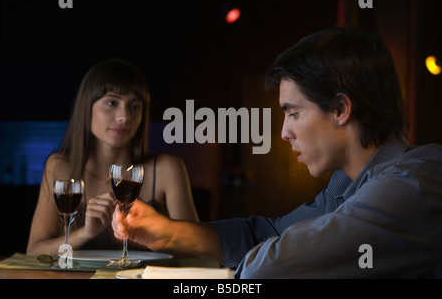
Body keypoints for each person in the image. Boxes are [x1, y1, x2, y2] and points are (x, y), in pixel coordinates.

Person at [112, 27, 442, 278]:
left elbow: (267, 269)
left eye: (293, 113)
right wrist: (168, 232)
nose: (285, 132)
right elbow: (268, 235)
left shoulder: (408, 187)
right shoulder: (347, 182)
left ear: (341, 108)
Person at [27, 58, 199, 256]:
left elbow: (197, 252)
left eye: (134, 106)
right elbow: (34, 252)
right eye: (112, 102)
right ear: (87, 106)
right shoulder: (59, 166)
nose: (124, 116)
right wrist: (85, 233)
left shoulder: (167, 168)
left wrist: (155, 235)